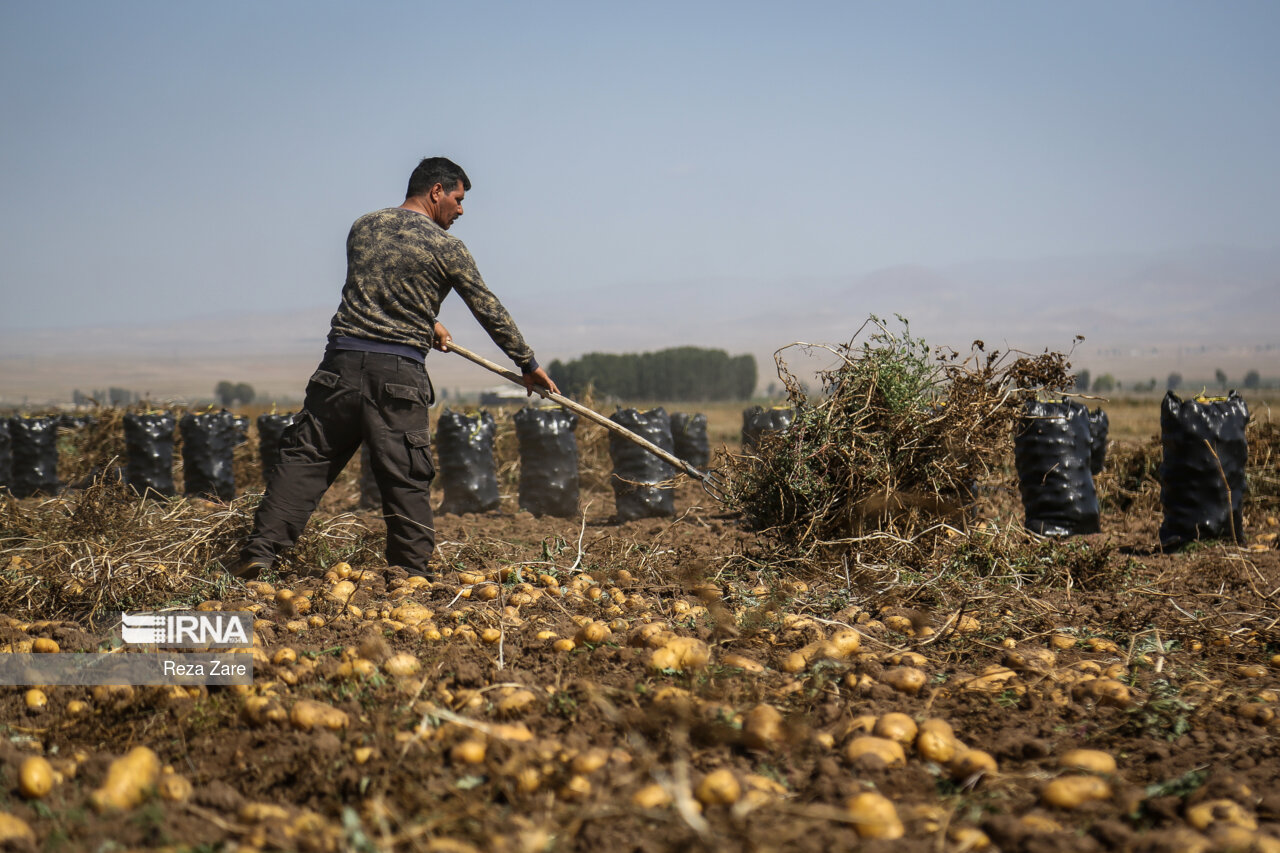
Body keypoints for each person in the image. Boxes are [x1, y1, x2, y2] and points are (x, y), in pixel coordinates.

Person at [235, 156, 559, 579]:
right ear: (436, 191)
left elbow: (381, 287)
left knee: (305, 461)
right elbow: (487, 307)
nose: (461, 210)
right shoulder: (447, 248)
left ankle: (260, 555)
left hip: (339, 369)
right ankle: (409, 573)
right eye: (458, 200)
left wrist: (427, 321)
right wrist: (527, 363)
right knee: (405, 474)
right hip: (397, 376)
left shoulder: (363, 226)